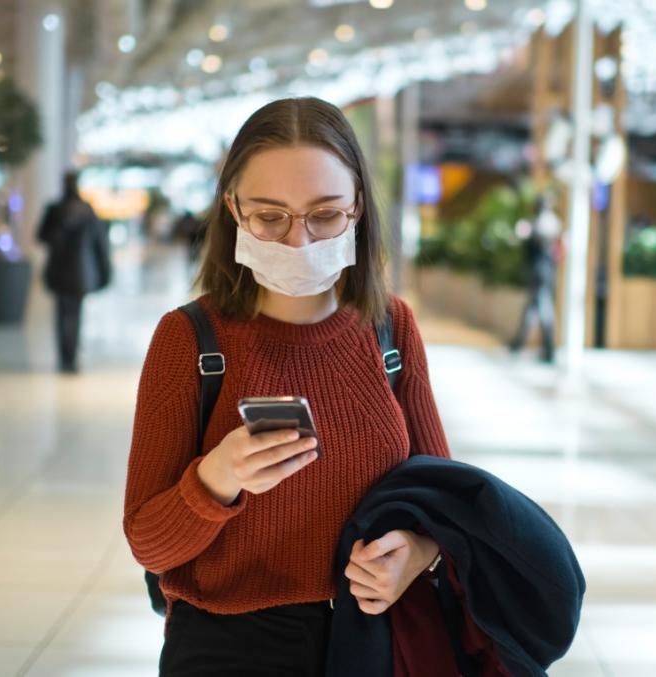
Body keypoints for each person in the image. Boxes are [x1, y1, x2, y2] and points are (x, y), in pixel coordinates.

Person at [122, 97, 452, 676]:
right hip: (228, 647)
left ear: (358, 210)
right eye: (270, 216)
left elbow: (443, 501)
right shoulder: (191, 341)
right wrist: (216, 478)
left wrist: (417, 553)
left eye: (324, 214)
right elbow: (149, 543)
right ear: (232, 209)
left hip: (371, 639)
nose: (298, 241)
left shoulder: (390, 329)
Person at [37, 172, 112, 373]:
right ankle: (71, 356)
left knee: (62, 313)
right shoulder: (87, 211)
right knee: (76, 314)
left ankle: (65, 356)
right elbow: (101, 245)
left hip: (60, 270)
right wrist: (106, 271)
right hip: (81, 271)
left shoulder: (54, 210)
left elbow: (41, 237)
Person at [508, 195, 558, 363]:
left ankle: (547, 349)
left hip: (541, 272)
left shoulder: (543, 223)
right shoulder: (545, 222)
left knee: (542, 309)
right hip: (543, 271)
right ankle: (521, 344)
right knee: (534, 308)